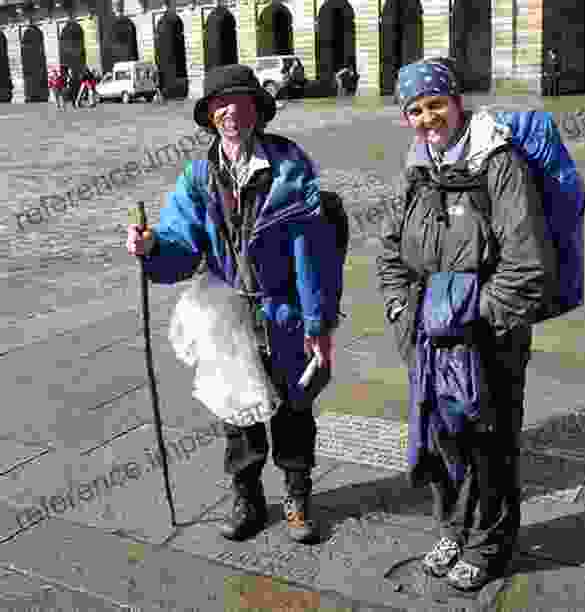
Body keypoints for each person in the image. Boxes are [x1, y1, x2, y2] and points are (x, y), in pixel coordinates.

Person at [126, 64, 342, 544]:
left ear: (256, 111)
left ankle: (297, 495)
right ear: (209, 115)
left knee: (293, 408)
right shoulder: (199, 177)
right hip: (229, 312)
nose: (230, 112)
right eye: (220, 105)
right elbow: (181, 243)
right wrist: (152, 249)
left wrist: (317, 321)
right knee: (236, 410)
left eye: (240, 102)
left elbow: (314, 253)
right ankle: (246, 496)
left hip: (284, 311)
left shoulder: (291, 168)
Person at [376, 58, 557, 593]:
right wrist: (401, 312)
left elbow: (526, 263)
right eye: (415, 109)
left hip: (488, 335)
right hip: (429, 336)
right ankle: (453, 529)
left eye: (436, 104)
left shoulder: (497, 163)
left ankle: (492, 543)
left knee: (491, 441)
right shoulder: (416, 169)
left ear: (456, 102)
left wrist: (477, 321)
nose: (428, 117)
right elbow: (390, 252)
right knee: (444, 437)